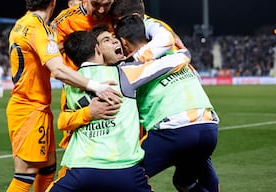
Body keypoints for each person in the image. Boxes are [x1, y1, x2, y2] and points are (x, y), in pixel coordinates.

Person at [5, 0, 121, 192]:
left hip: (36, 107)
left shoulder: (25, 25)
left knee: (48, 169)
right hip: (29, 109)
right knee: (25, 175)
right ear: (54, 1)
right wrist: (96, 86)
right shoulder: (39, 30)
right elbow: (57, 69)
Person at [46, 26, 190, 192]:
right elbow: (180, 59)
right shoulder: (125, 73)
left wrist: (86, 113)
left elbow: (63, 121)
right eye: (106, 40)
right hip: (124, 168)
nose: (114, 41)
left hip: (81, 169)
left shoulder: (71, 84)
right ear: (97, 49)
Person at [115, 15, 220, 192]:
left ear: (124, 43)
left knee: (127, 177)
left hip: (174, 131)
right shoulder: (175, 53)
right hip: (209, 127)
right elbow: (195, 74)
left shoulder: (129, 69)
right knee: (184, 181)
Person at [51, 0, 117, 70]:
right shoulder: (65, 19)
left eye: (106, 4)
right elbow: (49, 52)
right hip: (75, 79)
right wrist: (74, 43)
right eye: (95, 4)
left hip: (109, 76)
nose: (101, 10)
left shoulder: (116, 13)